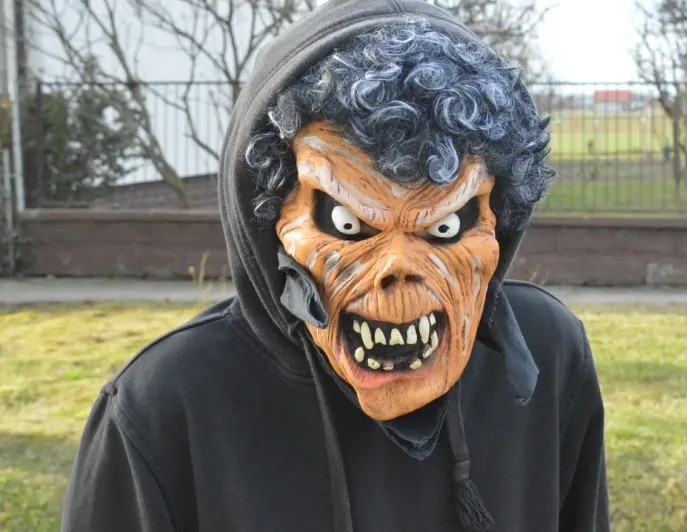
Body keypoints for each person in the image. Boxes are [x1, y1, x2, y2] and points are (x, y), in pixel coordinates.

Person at [60, 1, 609, 531]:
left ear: (498, 222)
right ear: (271, 219)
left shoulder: (548, 356)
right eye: (347, 223)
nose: (397, 265)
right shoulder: (165, 406)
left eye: (445, 226)